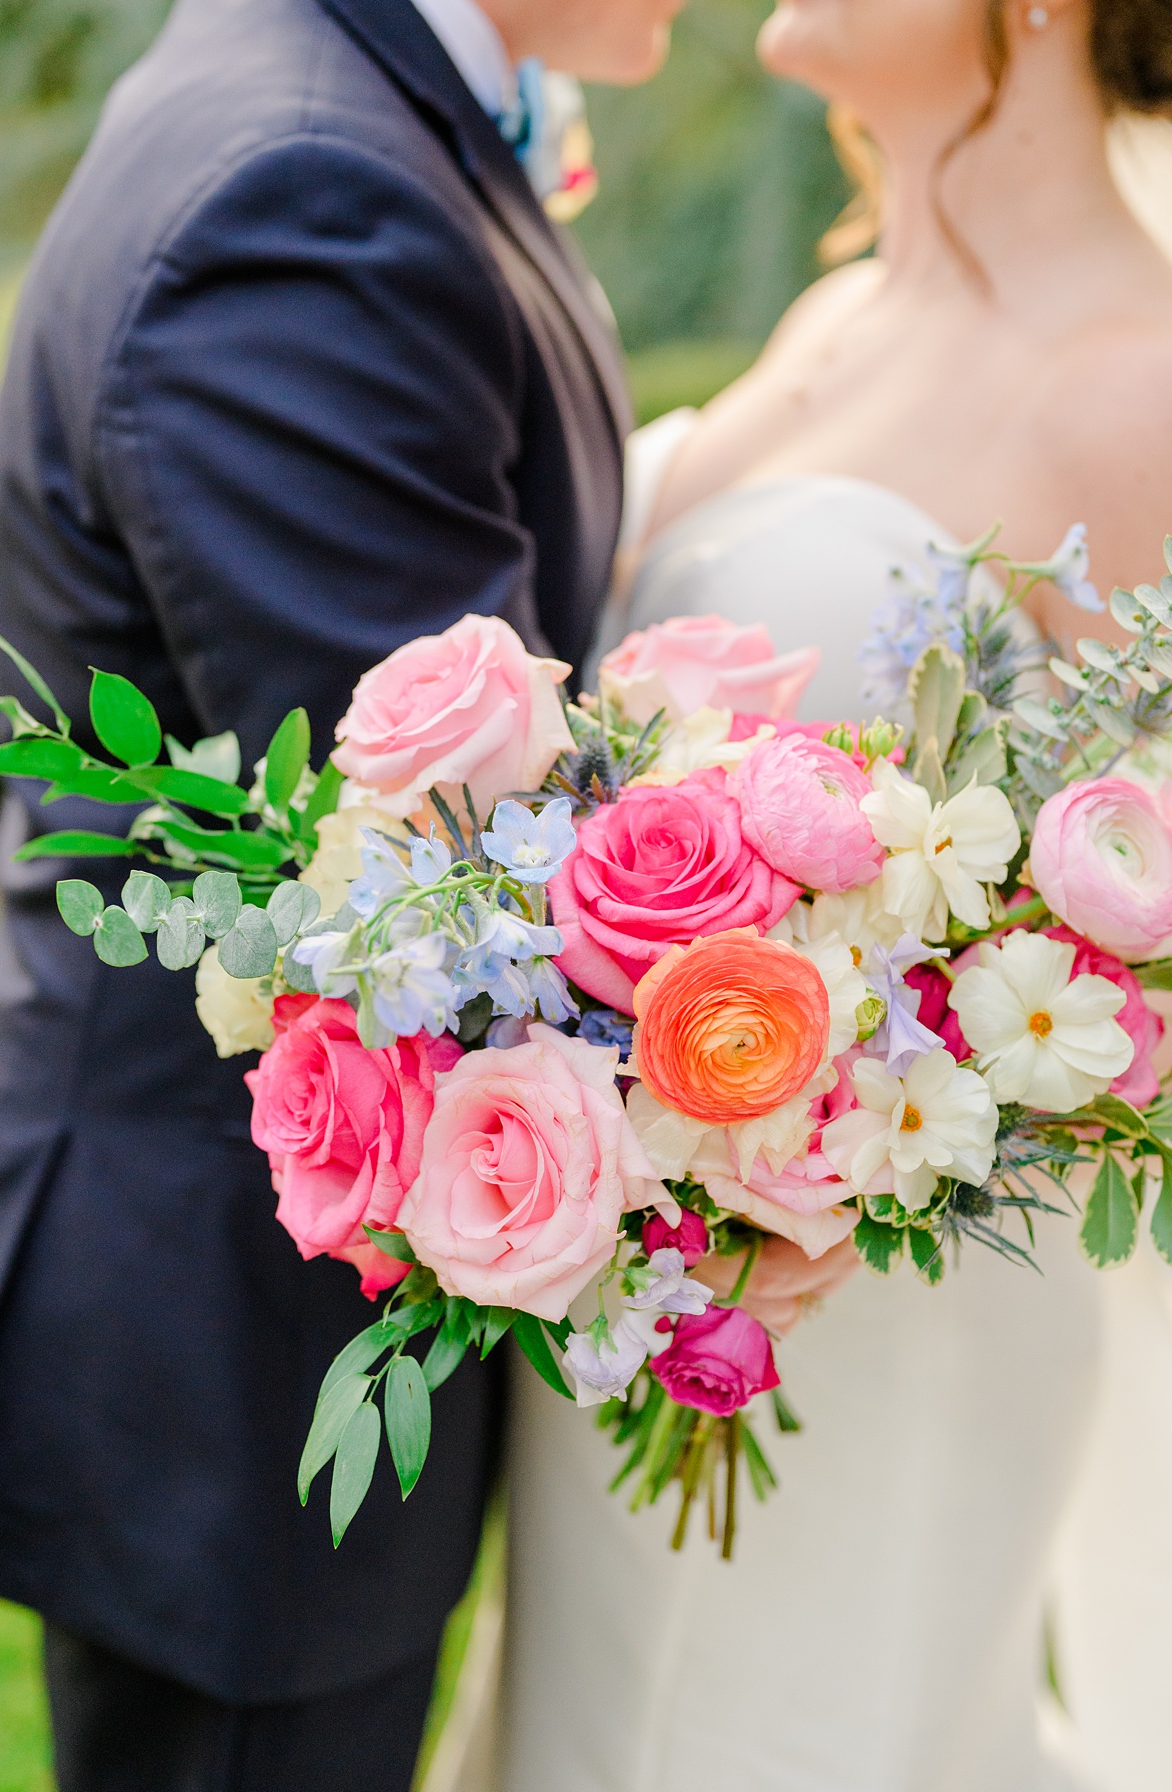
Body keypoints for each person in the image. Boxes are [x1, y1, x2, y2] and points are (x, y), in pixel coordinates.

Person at [0, 1, 679, 1787]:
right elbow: (460, 876)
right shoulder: (300, 192)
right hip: (237, 1355)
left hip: (251, 1310)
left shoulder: (336, 102)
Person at [498, 1, 1172, 1786]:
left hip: (887, 1318)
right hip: (644, 1307)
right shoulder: (837, 315)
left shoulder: (1140, 385)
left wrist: (866, 1095)